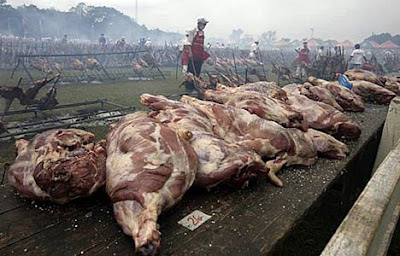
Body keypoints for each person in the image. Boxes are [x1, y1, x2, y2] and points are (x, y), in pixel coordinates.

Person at [181, 17, 211, 93]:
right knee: (191, 73)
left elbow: (201, 45)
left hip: (199, 56)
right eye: (203, 24)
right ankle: (189, 88)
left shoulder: (202, 33)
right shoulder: (192, 31)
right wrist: (190, 52)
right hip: (193, 56)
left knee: (197, 73)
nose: (204, 26)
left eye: (205, 25)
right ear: (199, 24)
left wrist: (202, 57)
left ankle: (195, 87)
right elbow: (188, 43)